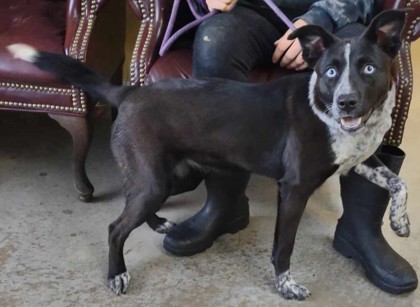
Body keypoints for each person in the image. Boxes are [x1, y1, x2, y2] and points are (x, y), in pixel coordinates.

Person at [163, 0, 418, 293]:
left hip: (336, 14)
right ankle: (224, 205)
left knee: (368, 62)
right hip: (251, 11)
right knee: (215, 43)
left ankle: (360, 230)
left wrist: (317, 18)